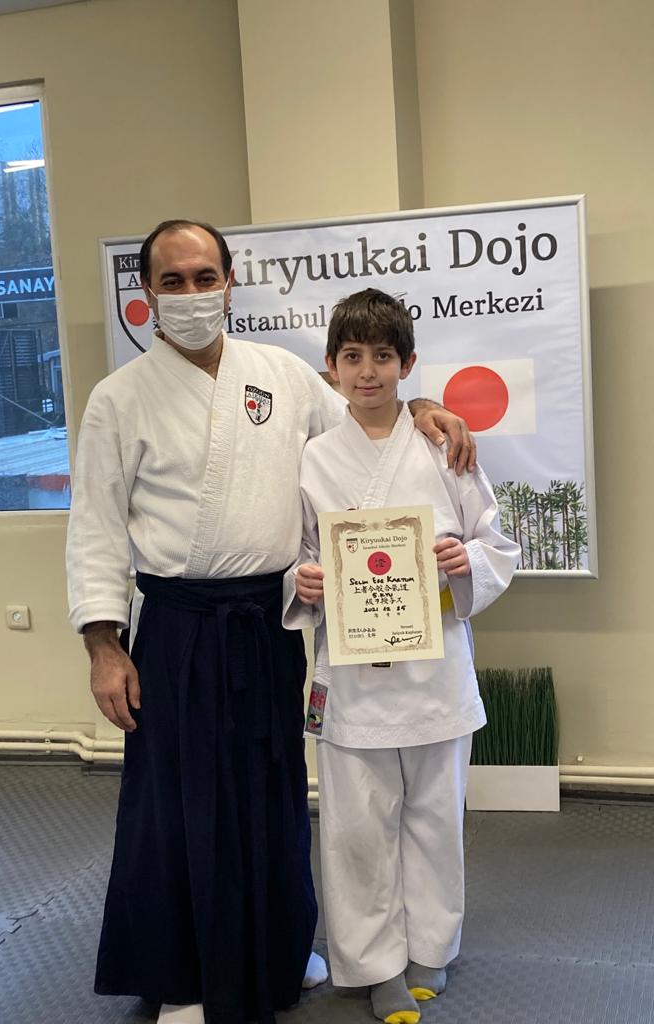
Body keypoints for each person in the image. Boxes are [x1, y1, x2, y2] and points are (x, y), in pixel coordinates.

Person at [66, 221, 477, 1024]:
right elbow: (96, 526)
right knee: (179, 801)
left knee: (271, 792)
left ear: (229, 284)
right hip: (179, 623)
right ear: (146, 293)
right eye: (173, 280)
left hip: (271, 618)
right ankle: (183, 977)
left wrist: (425, 406)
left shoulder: (281, 375)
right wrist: (103, 645)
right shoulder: (118, 398)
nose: (191, 294)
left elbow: (364, 416)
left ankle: (278, 954)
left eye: (205, 277)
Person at [284, 289, 520, 1024]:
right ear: (331, 366)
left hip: (435, 667)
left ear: (407, 363)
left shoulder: (443, 447)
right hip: (352, 675)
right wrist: (304, 580)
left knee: (434, 817)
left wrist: (464, 561)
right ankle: (374, 963)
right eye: (352, 357)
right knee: (356, 826)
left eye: (383, 356)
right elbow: (296, 552)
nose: (368, 372)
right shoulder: (314, 458)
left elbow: (496, 542)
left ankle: (431, 948)